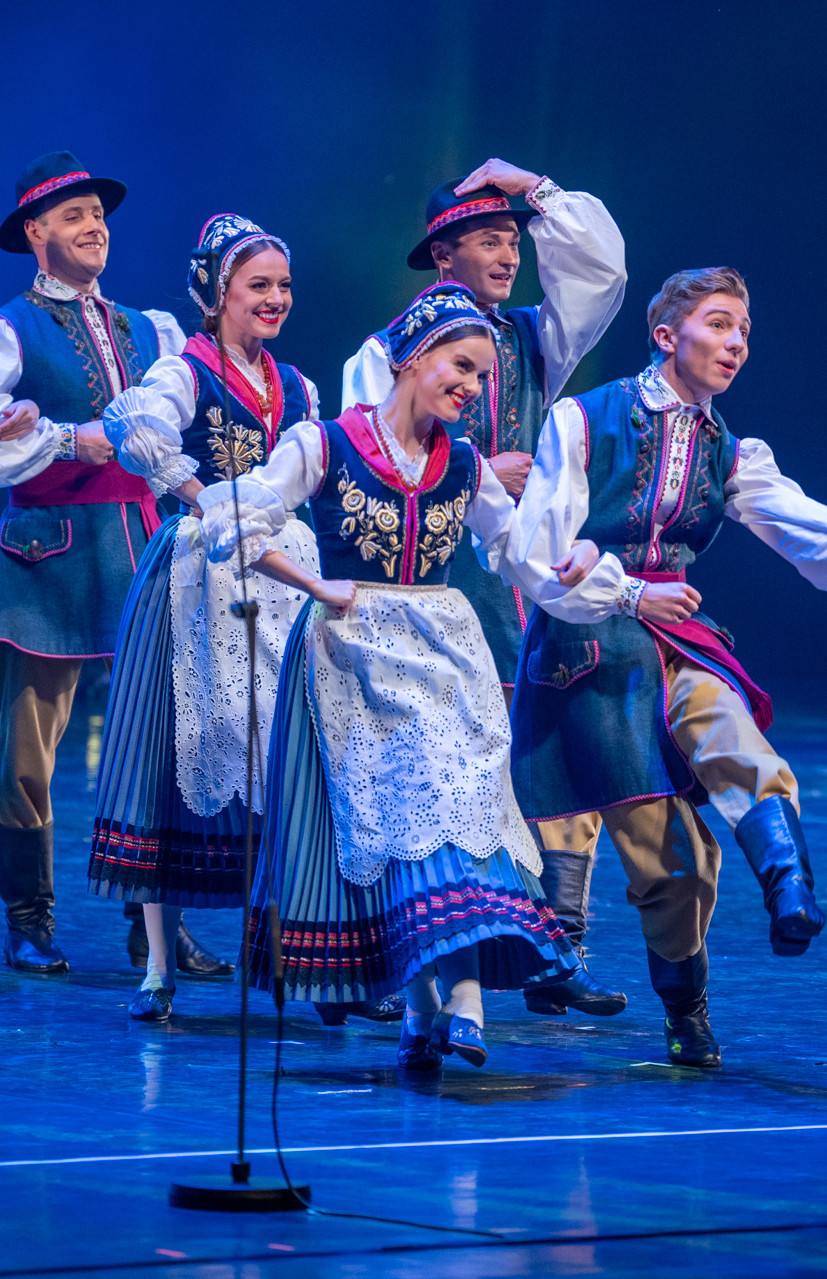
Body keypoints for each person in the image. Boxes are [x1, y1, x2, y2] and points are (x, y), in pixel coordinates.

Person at [502, 267, 827, 1068]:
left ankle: (788, 881)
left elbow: (798, 518)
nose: (737, 344)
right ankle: (685, 1005)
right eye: (721, 324)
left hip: (678, 638)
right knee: (676, 863)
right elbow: (537, 554)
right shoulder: (583, 420)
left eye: (745, 331)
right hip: (588, 653)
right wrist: (629, 593)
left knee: (731, 732)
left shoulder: (725, 448)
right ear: (667, 336)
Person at [207, 283, 592, 1070]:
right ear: (413, 358)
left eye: (482, 375)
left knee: (459, 804)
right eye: (462, 366)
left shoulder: (466, 465)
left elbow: (521, 556)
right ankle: (424, 1009)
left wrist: (585, 568)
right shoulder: (326, 445)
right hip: (352, 656)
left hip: (445, 653)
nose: (473, 386)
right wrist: (313, 584)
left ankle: (465, 1000)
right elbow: (230, 525)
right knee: (388, 827)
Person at [342, 158, 628, 1019]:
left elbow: (604, 271)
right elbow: (367, 456)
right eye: (490, 241)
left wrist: (538, 189)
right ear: (443, 255)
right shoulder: (386, 351)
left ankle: (555, 945)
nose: (510, 256)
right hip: (432, 578)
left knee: (546, 756)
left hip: (522, 576)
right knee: (423, 770)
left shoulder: (535, 338)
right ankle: (392, 956)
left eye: (514, 241)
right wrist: (469, 470)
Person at [0, 152, 229, 978]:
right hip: (48, 549)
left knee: (160, 740)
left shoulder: (151, 329)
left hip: (138, 540)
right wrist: (66, 437)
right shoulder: (2, 331)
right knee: (26, 751)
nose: (94, 226)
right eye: (73, 216)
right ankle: (28, 918)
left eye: (98, 214)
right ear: (35, 233)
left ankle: (156, 924)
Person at [86, 214, 319, 1021]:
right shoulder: (187, 369)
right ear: (217, 295)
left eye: (283, 285)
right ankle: (158, 964)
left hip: (279, 570)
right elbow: (134, 426)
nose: (275, 298)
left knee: (279, 751)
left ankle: (280, 946)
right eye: (258, 285)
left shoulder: (296, 387)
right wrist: (200, 495)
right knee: (176, 752)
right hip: (196, 570)